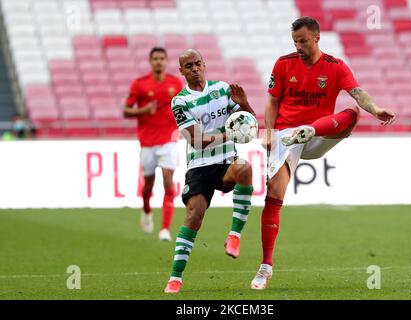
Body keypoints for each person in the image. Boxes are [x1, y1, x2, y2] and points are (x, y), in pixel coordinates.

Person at [250, 17, 396, 290]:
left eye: (303, 41)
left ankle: (309, 129)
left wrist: (375, 109)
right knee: (274, 191)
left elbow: (358, 93)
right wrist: (268, 131)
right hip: (286, 134)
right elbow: (272, 100)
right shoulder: (284, 63)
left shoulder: (335, 67)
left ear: (317, 38)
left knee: (353, 113)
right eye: (295, 41)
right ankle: (265, 267)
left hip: (316, 134)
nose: (299, 46)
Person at [164, 49, 256, 293]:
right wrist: (229, 133)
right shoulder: (180, 101)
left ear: (204, 65)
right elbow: (196, 140)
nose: (194, 68)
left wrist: (245, 103)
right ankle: (176, 277)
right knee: (195, 215)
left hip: (226, 161)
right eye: (188, 66)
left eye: (197, 64)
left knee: (245, 168)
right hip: (200, 166)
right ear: (181, 71)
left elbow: (249, 121)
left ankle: (234, 235)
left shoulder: (222, 88)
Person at [124, 47, 183, 241]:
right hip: (147, 142)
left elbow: (185, 108)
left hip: (168, 140)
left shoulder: (175, 83)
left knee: (168, 182)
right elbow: (126, 111)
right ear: (150, 62)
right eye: (155, 59)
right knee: (148, 185)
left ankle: (165, 228)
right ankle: (147, 208)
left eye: (162, 59)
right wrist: (143, 111)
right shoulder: (140, 84)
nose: (158, 62)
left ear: (166, 61)